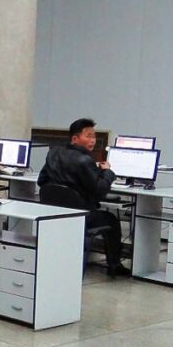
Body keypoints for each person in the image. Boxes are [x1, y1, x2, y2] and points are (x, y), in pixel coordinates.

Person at [37, 118, 130, 276]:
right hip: (79, 215)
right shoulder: (85, 160)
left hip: (53, 213)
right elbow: (100, 191)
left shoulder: (53, 153)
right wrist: (107, 172)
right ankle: (114, 265)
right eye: (88, 136)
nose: (92, 140)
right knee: (111, 219)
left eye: (94, 136)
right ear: (75, 138)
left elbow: (42, 181)